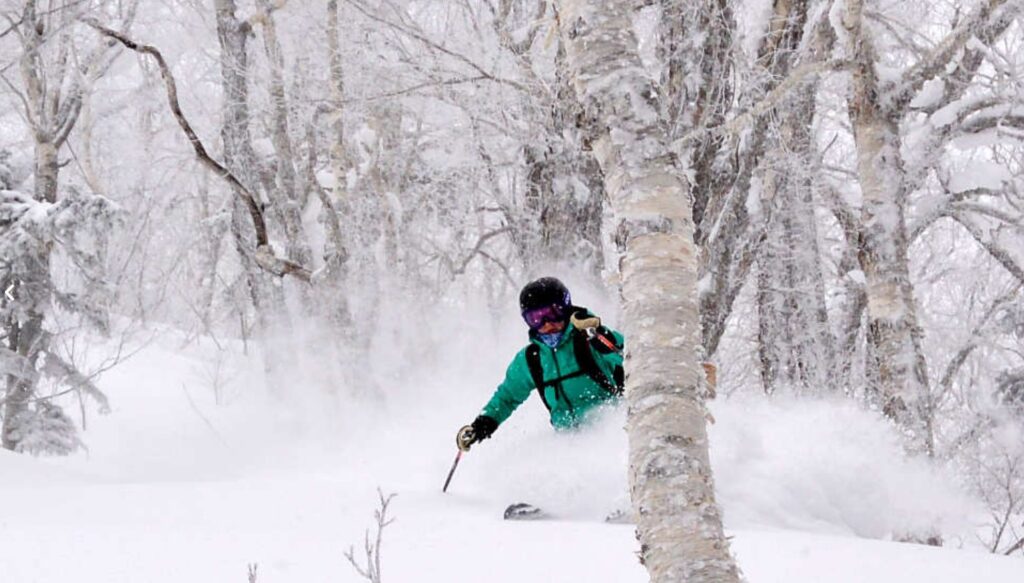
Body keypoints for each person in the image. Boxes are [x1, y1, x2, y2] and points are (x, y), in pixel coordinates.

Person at [456, 277, 625, 451]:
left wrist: (599, 336)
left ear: (566, 309)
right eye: (536, 318)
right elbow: (507, 397)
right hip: (569, 446)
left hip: (610, 437)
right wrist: (483, 424)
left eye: (553, 314)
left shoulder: (589, 338)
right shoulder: (532, 358)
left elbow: (630, 357)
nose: (547, 324)